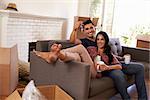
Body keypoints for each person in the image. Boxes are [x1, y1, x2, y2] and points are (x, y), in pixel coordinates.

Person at [92, 31, 147, 100]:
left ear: (106, 40)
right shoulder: (92, 49)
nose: (99, 41)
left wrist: (119, 60)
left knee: (140, 67)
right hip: (108, 70)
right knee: (118, 74)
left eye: (102, 39)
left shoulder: (107, 51)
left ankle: (143, 98)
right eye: (98, 39)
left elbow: (119, 65)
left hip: (114, 66)